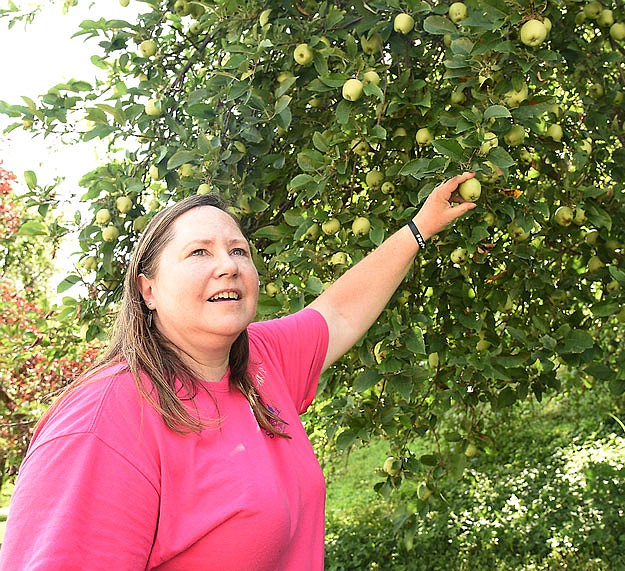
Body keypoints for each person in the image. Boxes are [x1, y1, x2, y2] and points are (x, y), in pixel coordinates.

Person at [0, 172, 477, 570]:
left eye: (239, 251)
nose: (227, 266)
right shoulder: (105, 422)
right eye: (199, 252)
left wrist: (420, 228)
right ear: (148, 290)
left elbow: (340, 314)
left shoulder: (258, 363)